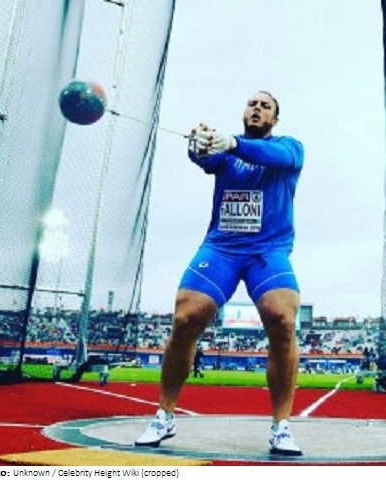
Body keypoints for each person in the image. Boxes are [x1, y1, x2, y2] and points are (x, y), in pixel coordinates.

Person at [135, 91, 305, 456]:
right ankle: (164, 416)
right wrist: (199, 144)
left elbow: (276, 157)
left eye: (265, 106)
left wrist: (231, 142)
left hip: (267, 251)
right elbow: (206, 159)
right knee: (185, 317)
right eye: (252, 104)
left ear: (275, 119)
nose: (257, 108)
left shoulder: (289, 147)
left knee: (283, 319)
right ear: (244, 112)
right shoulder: (227, 151)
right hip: (222, 248)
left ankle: (281, 426)